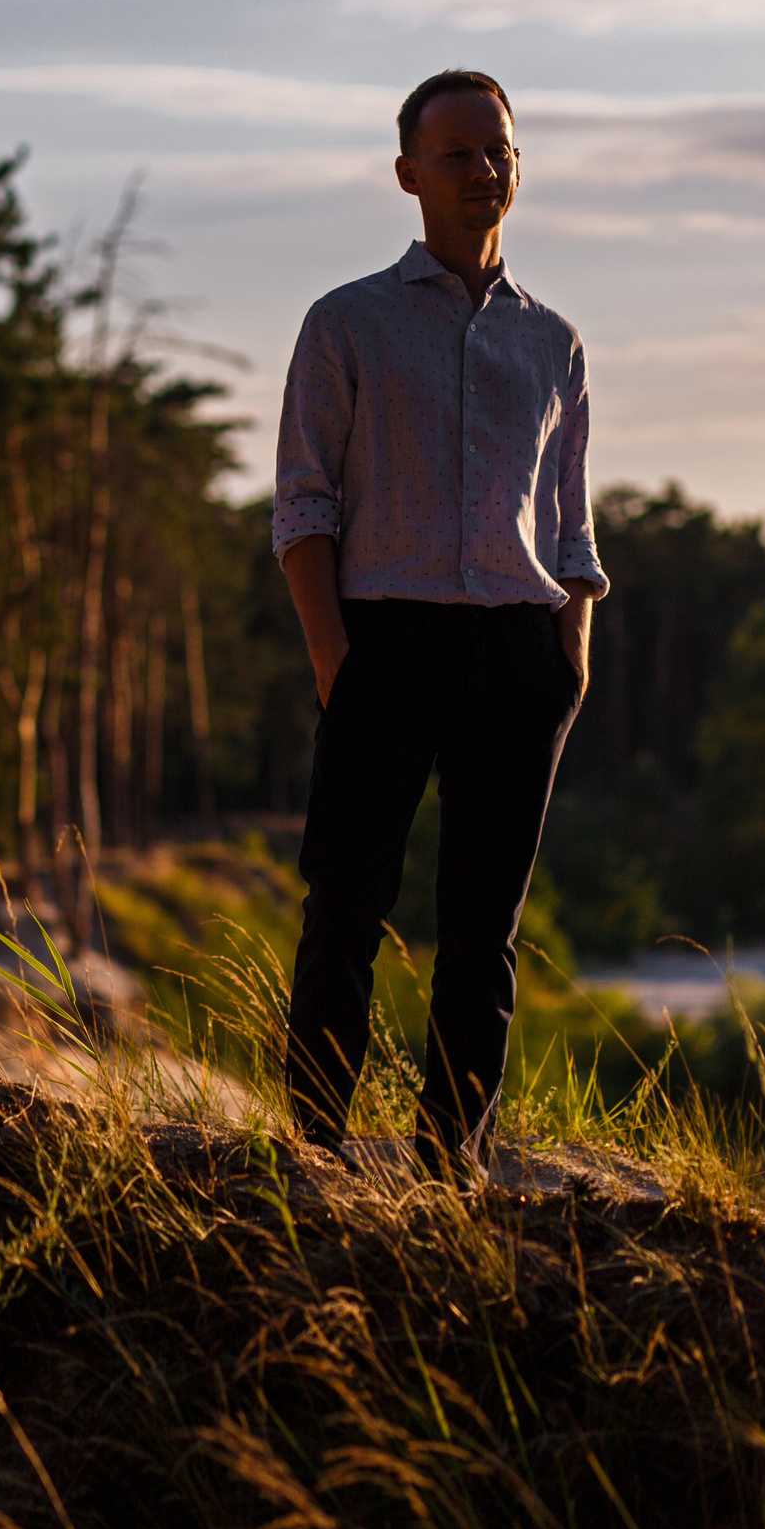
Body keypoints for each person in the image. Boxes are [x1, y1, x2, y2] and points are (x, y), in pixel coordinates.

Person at [271, 68, 607, 1179]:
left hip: (518, 653)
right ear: (408, 173)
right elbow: (303, 506)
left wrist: (569, 660)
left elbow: (571, 527)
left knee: (483, 931)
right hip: (385, 643)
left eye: (498, 151)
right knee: (345, 905)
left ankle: (450, 1166)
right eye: (457, 153)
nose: (482, 170)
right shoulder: (345, 323)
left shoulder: (555, 343)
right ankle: (316, 1157)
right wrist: (336, 658)